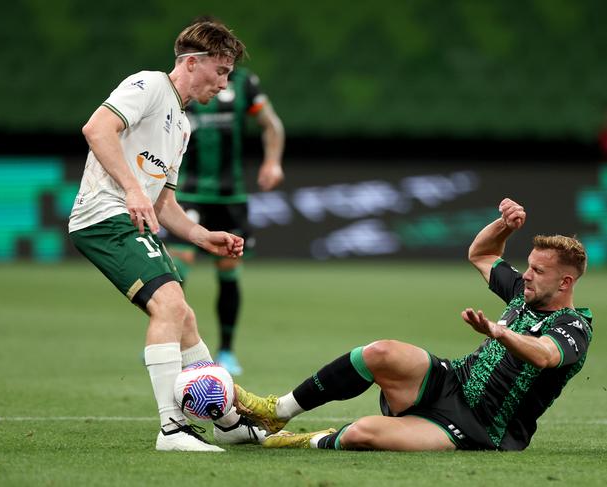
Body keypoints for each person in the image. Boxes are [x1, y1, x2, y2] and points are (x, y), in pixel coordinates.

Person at [234, 198, 593, 451]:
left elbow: (545, 355)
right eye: (528, 266)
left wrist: (500, 332)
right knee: (381, 352)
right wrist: (503, 226)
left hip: (479, 428)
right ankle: (277, 412)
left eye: (538, 271)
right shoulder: (523, 291)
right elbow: (482, 254)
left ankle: (306, 439)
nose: (526, 275)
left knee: (363, 433)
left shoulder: (574, 326)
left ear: (565, 283)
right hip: (452, 381)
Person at [68, 20, 267, 452]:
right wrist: (133, 188)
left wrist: (201, 236)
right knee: (171, 303)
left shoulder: (182, 125)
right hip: (105, 216)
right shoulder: (149, 85)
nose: (224, 83)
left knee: (185, 318)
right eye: (221, 71)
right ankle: (172, 429)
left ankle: (227, 422)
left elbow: (164, 204)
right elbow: (96, 129)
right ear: (192, 63)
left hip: (131, 217)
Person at [163, 43, 285, 376]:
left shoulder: (244, 83)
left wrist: (272, 162)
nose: (222, 74)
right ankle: (168, 342)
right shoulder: (177, 85)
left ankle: (227, 352)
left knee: (228, 270)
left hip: (231, 197)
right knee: (179, 265)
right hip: (187, 193)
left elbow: (272, 125)